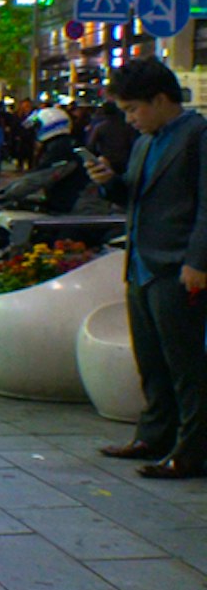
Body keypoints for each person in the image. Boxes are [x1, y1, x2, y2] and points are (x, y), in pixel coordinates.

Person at [86, 60, 207, 479]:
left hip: (176, 266)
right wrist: (108, 181)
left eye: (134, 109)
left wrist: (198, 261)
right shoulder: (144, 143)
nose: (130, 119)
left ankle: (192, 451)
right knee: (151, 359)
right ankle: (155, 435)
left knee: (186, 364)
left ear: (160, 100)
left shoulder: (197, 136)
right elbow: (134, 197)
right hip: (140, 264)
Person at [87, 100, 137, 175]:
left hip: (108, 161)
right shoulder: (128, 126)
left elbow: (91, 145)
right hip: (126, 160)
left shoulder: (100, 127)